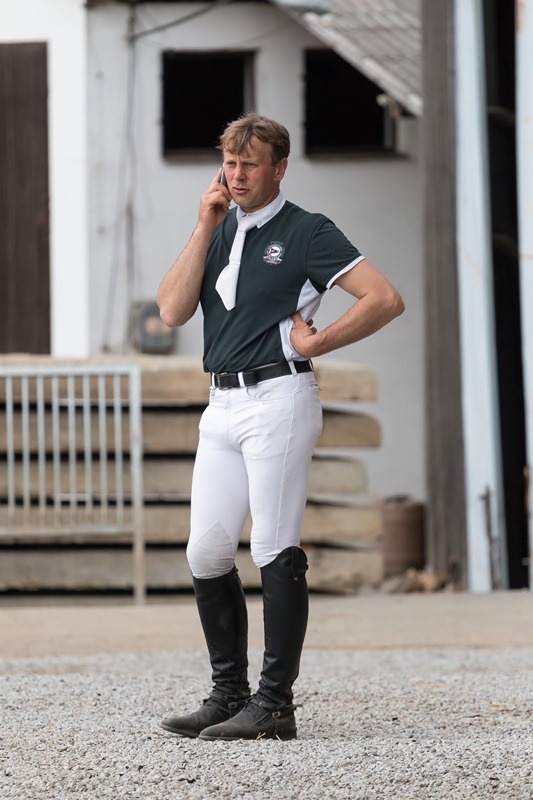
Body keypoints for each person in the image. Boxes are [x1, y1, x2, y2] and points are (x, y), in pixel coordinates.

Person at [157, 113, 404, 742]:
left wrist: (321, 340)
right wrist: (204, 224)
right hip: (221, 404)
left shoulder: (307, 231)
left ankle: (274, 704)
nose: (238, 175)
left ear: (279, 168)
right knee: (206, 552)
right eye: (230, 163)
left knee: (273, 545)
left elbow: (384, 298)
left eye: (251, 164)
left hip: (279, 399)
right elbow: (172, 310)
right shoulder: (217, 227)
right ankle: (228, 694)